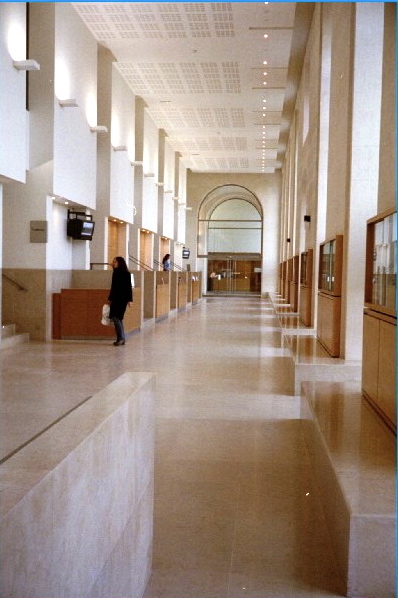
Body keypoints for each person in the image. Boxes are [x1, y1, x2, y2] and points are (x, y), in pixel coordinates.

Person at [108, 256, 133, 346]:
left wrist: (130, 300)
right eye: (113, 262)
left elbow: (128, 288)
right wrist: (110, 298)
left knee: (116, 317)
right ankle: (122, 338)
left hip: (121, 299)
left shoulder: (126, 274)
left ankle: (121, 338)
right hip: (116, 298)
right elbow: (113, 287)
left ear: (120, 263)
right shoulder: (115, 273)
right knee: (118, 318)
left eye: (115, 262)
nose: (113, 263)